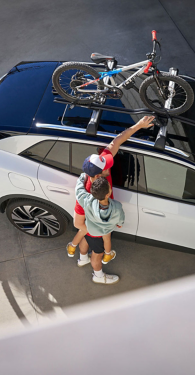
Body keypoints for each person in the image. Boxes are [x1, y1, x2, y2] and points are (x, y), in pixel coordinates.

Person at [66, 115, 155, 264]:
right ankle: (96, 272)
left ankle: (81, 257)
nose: (109, 163)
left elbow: (118, 140)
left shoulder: (101, 164)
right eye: (105, 165)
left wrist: (139, 125)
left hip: (95, 224)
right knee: (97, 251)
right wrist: (100, 228)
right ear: (97, 174)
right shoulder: (87, 193)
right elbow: (77, 224)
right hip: (97, 227)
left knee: (87, 241)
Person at [74, 173, 125, 284]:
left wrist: (83, 176)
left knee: (86, 239)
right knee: (97, 254)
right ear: (108, 194)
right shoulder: (117, 206)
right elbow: (121, 219)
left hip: (89, 229)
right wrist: (120, 223)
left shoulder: (87, 201)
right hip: (101, 234)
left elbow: (78, 192)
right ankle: (98, 276)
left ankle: (83, 260)